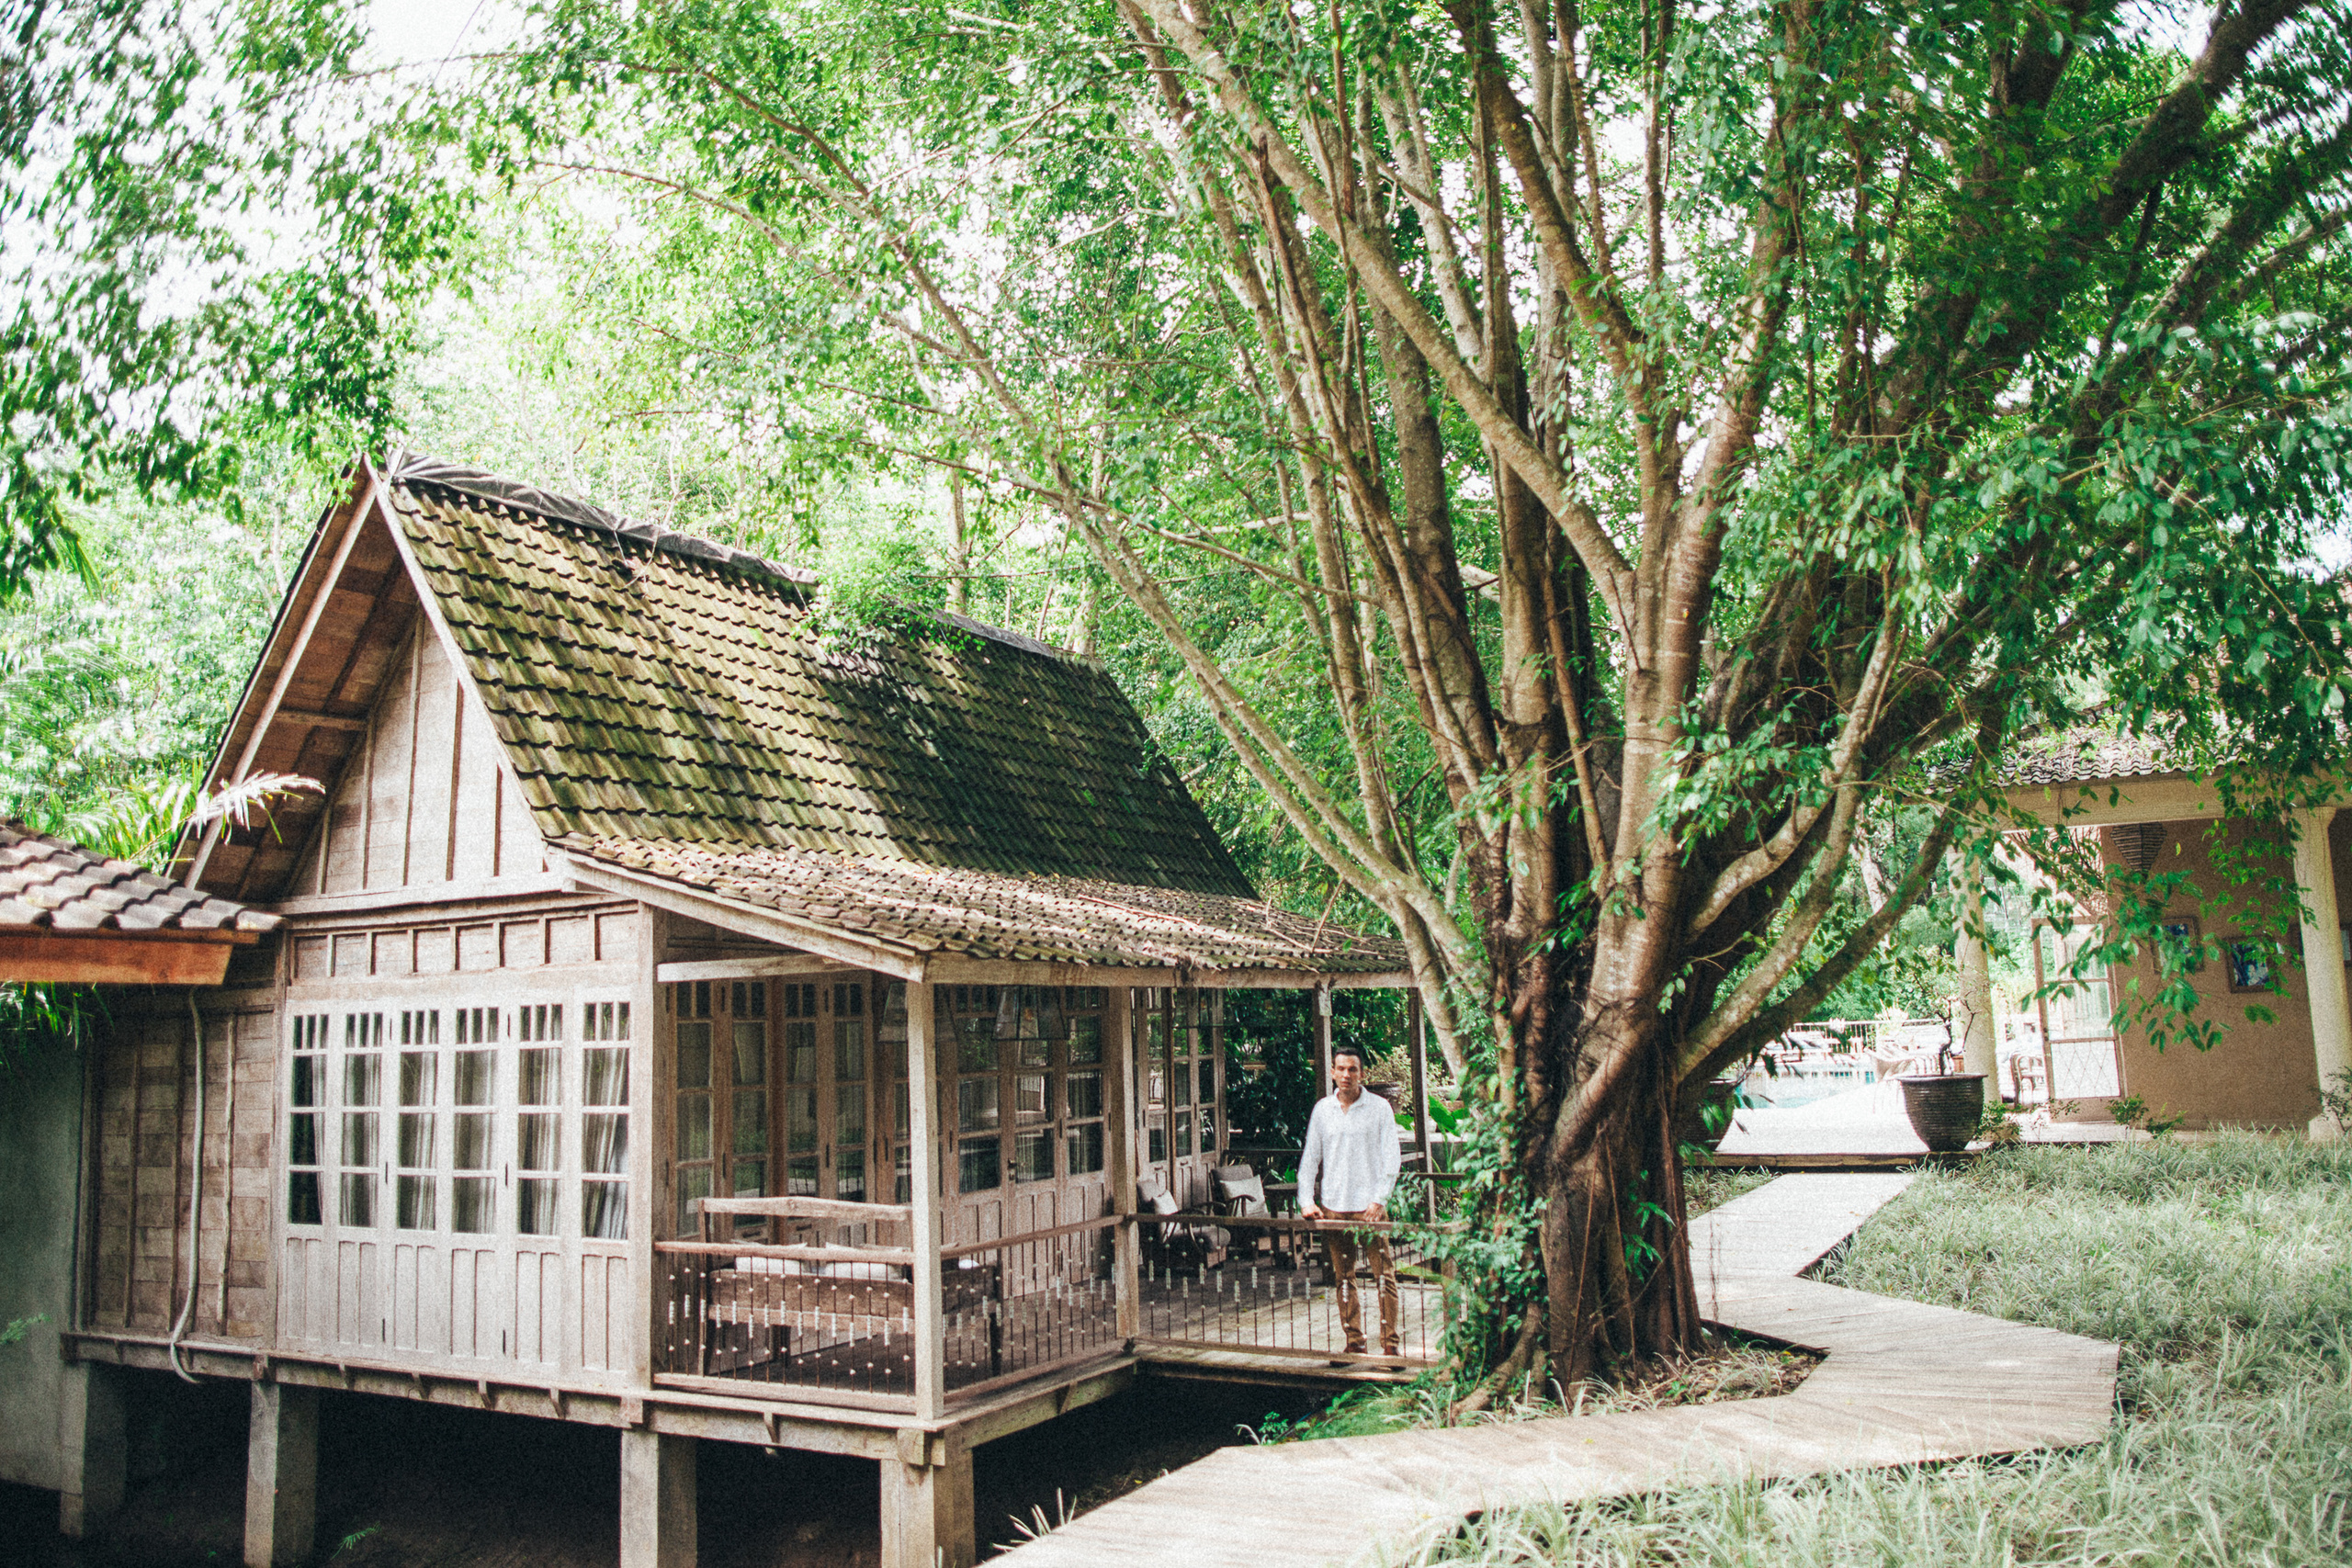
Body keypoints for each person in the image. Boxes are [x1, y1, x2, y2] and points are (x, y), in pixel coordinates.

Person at [1298, 1043, 1404, 1360]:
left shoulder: (1380, 1108)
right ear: (1332, 1072)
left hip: (1369, 1209)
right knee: (1344, 1277)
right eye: (1340, 1068)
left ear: (1362, 1073)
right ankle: (1354, 1338)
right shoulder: (1323, 1110)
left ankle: (1390, 1342)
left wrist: (1379, 1198)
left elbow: (1391, 1157)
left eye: (1352, 1069)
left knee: (1383, 1275)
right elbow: (1311, 1157)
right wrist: (1306, 1199)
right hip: (1334, 1204)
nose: (1346, 1075)